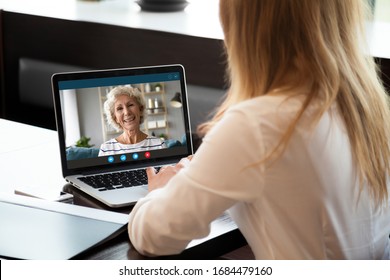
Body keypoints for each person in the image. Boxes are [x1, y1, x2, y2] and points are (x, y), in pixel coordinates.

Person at [128, 0, 390, 259]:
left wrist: (161, 191)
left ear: (245, 25)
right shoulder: (368, 108)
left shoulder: (257, 124)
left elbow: (155, 236)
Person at [98, 86, 166, 156]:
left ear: (140, 109)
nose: (127, 112)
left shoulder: (158, 144)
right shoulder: (106, 149)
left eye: (130, 105)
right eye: (120, 108)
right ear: (115, 118)